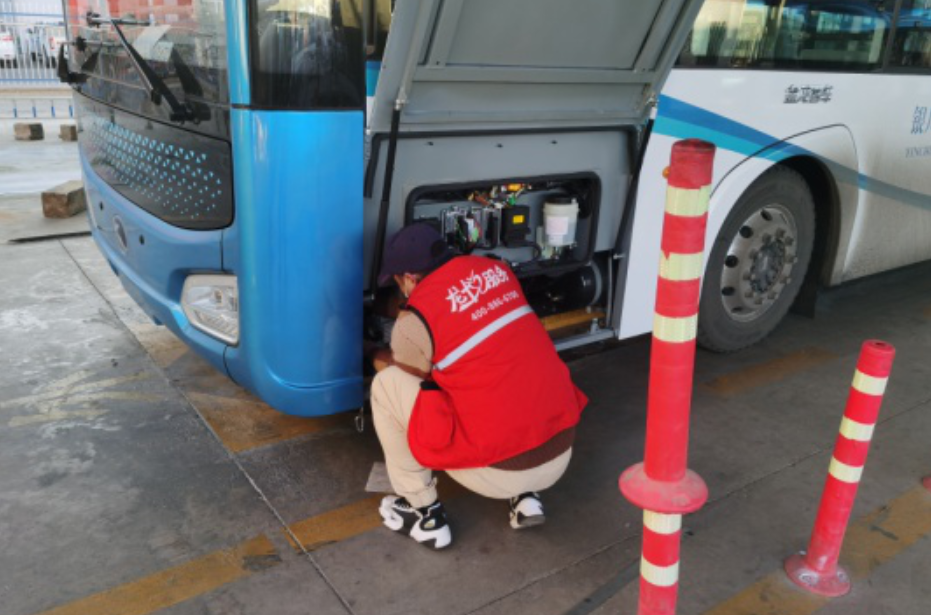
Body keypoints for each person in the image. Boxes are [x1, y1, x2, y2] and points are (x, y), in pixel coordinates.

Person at [368, 223, 588, 550]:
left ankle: (423, 514)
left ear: (409, 278)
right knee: (505, 371)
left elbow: (407, 372)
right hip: (560, 452)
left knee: (386, 386)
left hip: (498, 472)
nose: (401, 291)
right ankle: (526, 498)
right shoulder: (498, 271)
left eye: (398, 283)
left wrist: (368, 352)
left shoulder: (414, 321)